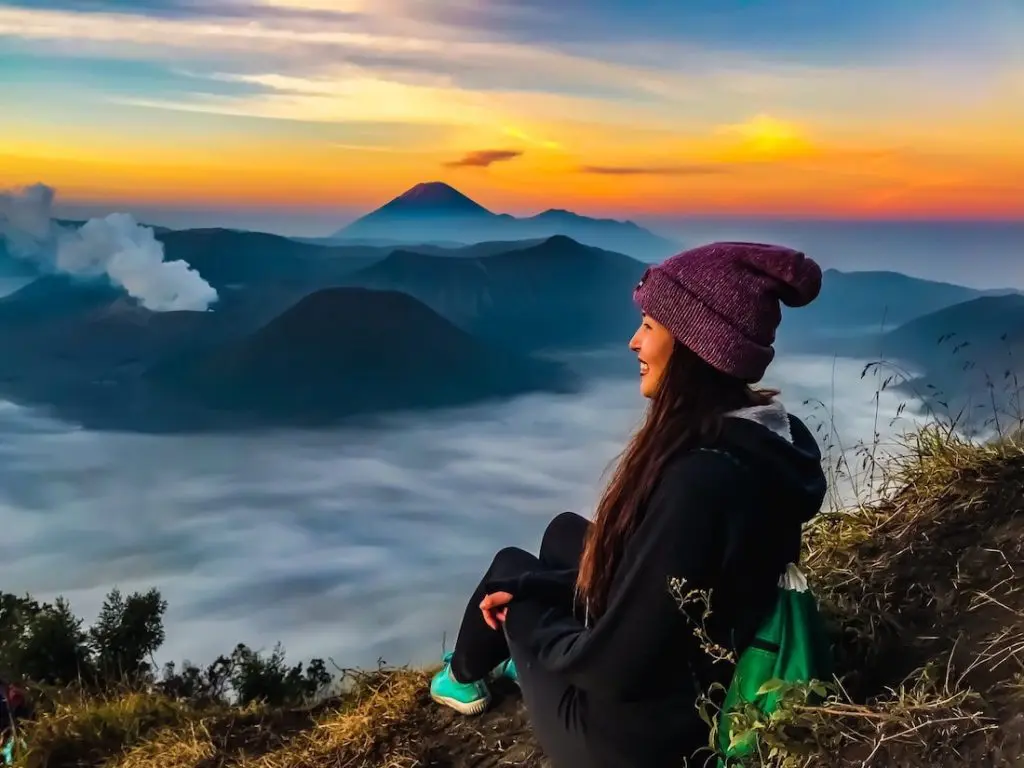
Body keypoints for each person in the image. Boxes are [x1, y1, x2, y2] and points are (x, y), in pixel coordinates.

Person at [429, 242, 829, 767]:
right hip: (702, 667)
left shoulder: (700, 482)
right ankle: (487, 656)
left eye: (648, 325)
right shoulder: (769, 438)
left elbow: (618, 669)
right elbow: (665, 576)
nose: (633, 341)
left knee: (509, 572)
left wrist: (531, 612)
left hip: (637, 740)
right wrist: (547, 586)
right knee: (561, 534)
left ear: (693, 345)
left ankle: (462, 677)